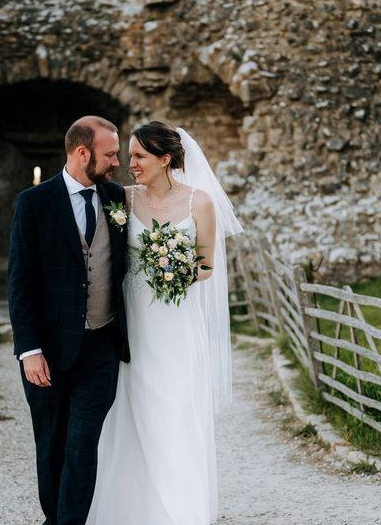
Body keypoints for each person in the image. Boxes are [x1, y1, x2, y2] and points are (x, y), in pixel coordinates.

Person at [89, 121, 243, 525]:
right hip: (135, 326)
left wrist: (175, 269)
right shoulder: (121, 198)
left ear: (165, 159)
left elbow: (208, 265)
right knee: (135, 410)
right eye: (130, 155)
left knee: (175, 412)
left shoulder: (200, 203)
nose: (130, 163)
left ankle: (180, 512)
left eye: (139, 156)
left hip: (177, 325)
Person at [7, 115, 130, 525]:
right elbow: (19, 283)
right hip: (49, 350)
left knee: (82, 445)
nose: (118, 162)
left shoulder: (116, 198)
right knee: (52, 444)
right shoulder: (34, 203)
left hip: (102, 345)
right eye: (110, 154)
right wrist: (29, 350)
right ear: (83, 153)